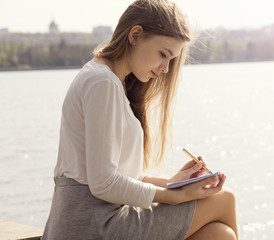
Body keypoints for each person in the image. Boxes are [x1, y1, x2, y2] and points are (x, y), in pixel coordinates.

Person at [42, 0, 238, 239]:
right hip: (91, 222)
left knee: (220, 235)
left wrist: (172, 183)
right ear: (135, 35)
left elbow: (116, 174)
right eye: (163, 54)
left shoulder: (109, 82)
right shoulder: (102, 82)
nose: (166, 68)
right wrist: (172, 196)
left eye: (171, 60)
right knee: (224, 199)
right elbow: (103, 183)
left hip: (97, 217)